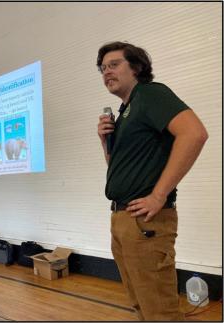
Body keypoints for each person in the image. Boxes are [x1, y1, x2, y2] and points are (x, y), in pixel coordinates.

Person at [96, 41, 208, 321]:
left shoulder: (150, 94)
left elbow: (194, 134)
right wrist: (104, 140)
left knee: (159, 310)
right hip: (122, 218)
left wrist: (159, 195)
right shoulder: (125, 112)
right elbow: (120, 167)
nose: (106, 72)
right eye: (102, 68)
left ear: (136, 67)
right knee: (141, 304)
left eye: (114, 64)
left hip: (145, 221)